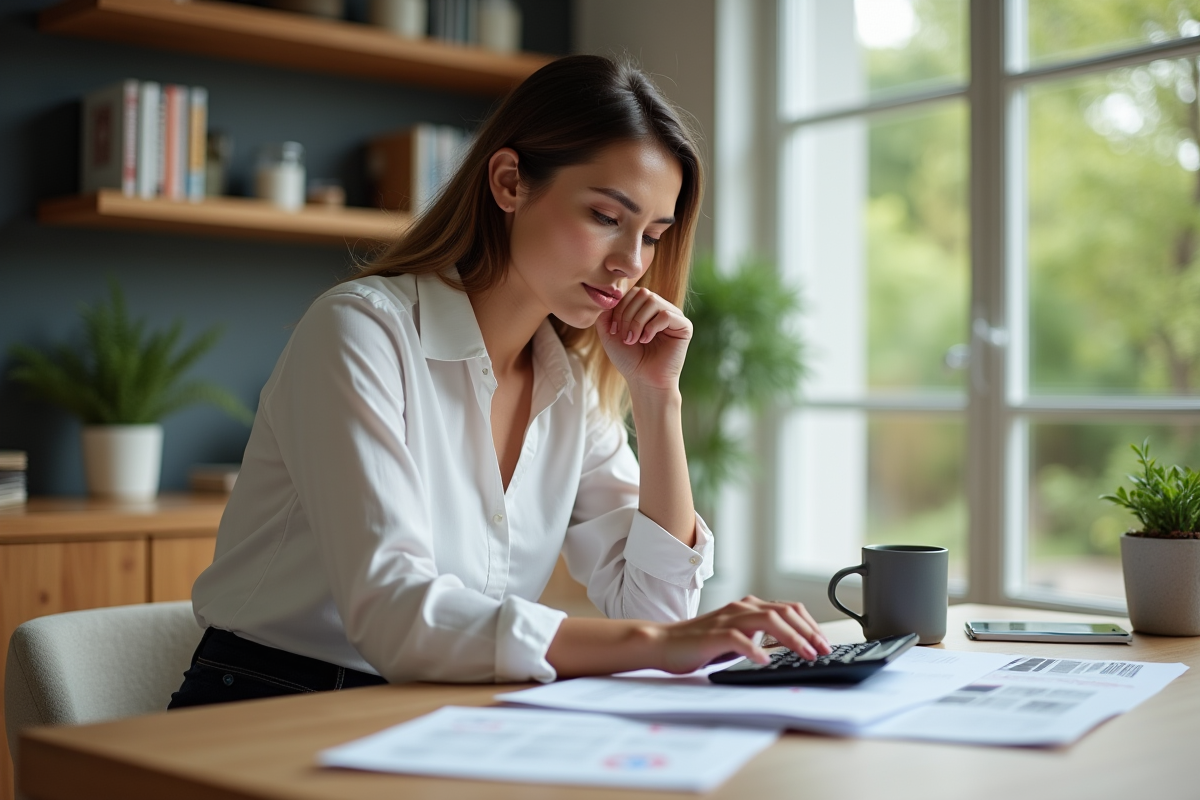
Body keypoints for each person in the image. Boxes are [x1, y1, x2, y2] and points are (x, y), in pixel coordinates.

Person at [169, 55, 830, 709]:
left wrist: (658, 402)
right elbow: (396, 616)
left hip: (441, 708)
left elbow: (656, 601)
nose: (631, 263)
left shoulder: (569, 387)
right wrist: (657, 641)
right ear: (511, 182)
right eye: (606, 217)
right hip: (272, 703)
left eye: (652, 235)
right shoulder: (360, 333)